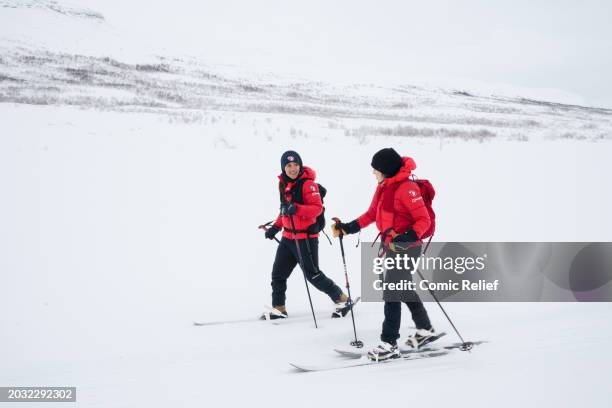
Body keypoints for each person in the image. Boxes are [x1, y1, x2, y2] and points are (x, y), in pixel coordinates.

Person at [332, 148, 437, 361]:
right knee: (403, 288)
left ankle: (389, 343)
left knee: (392, 291)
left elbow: (423, 220)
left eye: (376, 169)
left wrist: (407, 236)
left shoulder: (407, 189)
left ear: (386, 169)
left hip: (407, 247)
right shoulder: (384, 187)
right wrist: (348, 227)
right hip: (391, 246)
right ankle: (425, 328)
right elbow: (372, 214)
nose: (373, 173)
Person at [261, 150, 350, 320]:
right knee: (278, 274)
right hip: (288, 239)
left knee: (313, 275)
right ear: (283, 168)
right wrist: (275, 228)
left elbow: (317, 209)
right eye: (288, 165)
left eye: (296, 165)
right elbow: (284, 211)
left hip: (305, 240)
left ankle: (342, 299)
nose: (293, 168)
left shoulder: (309, 185)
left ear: (300, 166)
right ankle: (278, 309)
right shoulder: (283, 185)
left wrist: (298, 209)